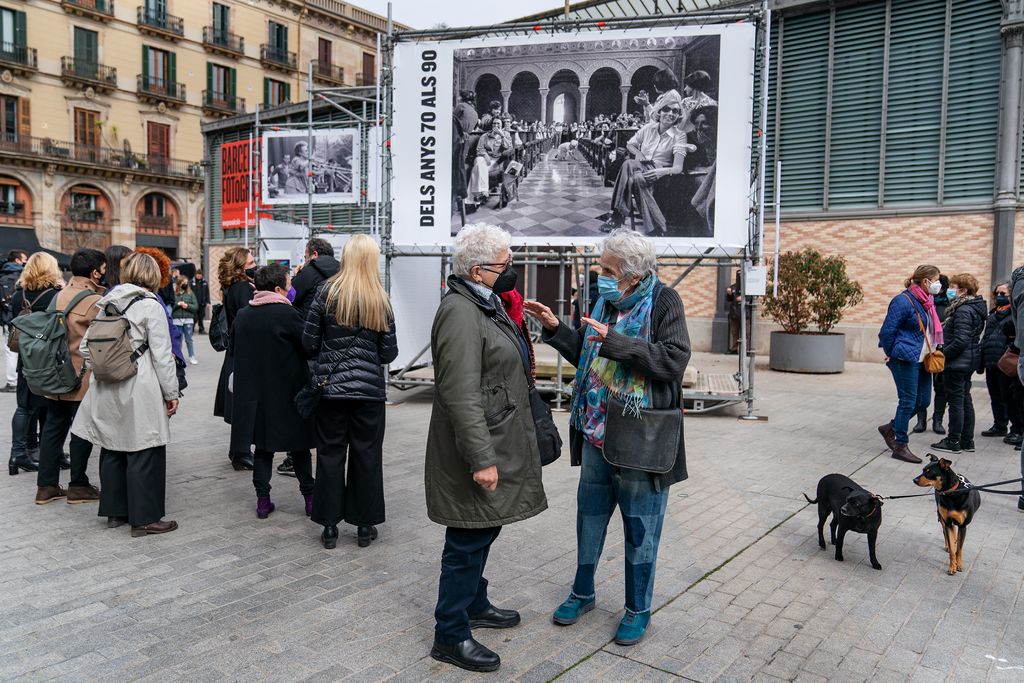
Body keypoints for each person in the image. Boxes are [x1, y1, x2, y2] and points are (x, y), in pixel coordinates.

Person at [524, 228, 689, 648]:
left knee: (640, 528)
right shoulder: (603, 300)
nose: (600, 274)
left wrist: (616, 343)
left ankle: (638, 609)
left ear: (633, 275)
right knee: (589, 520)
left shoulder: (664, 301)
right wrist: (556, 329)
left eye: (607, 269)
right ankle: (583, 593)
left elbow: (673, 360)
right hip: (597, 432)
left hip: (641, 441)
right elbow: (589, 352)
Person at [425, 224, 546, 674]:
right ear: (478, 270)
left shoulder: (484, 302)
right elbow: (459, 392)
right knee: (468, 535)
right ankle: (450, 633)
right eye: (505, 264)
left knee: (485, 526)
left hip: (499, 435)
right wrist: (481, 459)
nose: (511, 270)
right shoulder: (460, 311)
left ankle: (474, 603)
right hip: (479, 445)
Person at [73, 252, 179, 536]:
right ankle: (145, 518)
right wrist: (172, 392)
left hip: (107, 384)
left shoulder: (107, 303)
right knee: (144, 447)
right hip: (139, 382)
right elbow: (162, 356)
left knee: (112, 445)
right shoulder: (150, 305)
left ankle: (114, 511)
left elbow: (85, 347)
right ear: (153, 275)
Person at [304, 235, 397, 550]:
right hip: (369, 394)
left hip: (331, 392)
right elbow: (389, 354)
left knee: (330, 455)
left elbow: (309, 342)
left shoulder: (325, 294)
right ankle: (364, 524)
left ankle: (330, 526)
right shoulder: (380, 299)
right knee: (367, 456)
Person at [230, 263, 315, 519]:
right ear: (278, 288)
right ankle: (310, 500)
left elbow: (233, 349)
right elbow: (308, 346)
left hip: (258, 396)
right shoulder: (288, 314)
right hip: (290, 392)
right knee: (299, 448)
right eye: (289, 284)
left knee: (264, 450)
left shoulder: (243, 315)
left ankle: (263, 501)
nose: (292, 289)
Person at [33, 248, 106, 505]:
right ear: (95, 272)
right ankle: (78, 485)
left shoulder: (58, 295)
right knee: (82, 430)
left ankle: (46, 486)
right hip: (81, 376)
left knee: (53, 427)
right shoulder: (95, 300)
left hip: (55, 374)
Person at [877, 265, 944, 464]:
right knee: (907, 401)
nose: (938, 284)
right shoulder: (902, 301)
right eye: (936, 279)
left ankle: (890, 428)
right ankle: (900, 445)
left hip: (923, 358)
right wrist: (891, 353)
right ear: (925, 281)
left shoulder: (927, 301)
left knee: (923, 402)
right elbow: (887, 332)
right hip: (905, 359)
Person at [601, 102, 691, 237]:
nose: (670, 113)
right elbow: (630, 144)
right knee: (632, 169)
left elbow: (678, 168)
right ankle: (657, 226)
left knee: (630, 169)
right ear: (659, 112)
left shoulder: (680, 135)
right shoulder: (648, 128)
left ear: (678, 116)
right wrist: (639, 154)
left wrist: (661, 171)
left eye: (675, 111)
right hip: (641, 166)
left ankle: (617, 216)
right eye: (666, 109)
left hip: (662, 172)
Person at [8, 253, 61, 475]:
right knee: (47, 405)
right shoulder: (55, 295)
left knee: (24, 405)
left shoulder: (19, 295)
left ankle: (20, 453)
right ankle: (44, 451)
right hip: (47, 358)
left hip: (26, 357)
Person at [931, 273, 986, 454]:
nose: (949, 290)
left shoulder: (963, 310)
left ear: (963, 290)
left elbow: (960, 340)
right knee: (964, 400)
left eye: (953, 287)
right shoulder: (971, 307)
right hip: (967, 361)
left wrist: (942, 354)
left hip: (957, 363)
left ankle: (954, 440)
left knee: (956, 402)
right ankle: (967, 441)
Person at [214, 247, 256, 471]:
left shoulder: (232, 286)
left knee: (240, 400)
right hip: (243, 351)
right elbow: (247, 318)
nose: (254, 264)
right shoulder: (242, 288)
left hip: (236, 350)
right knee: (244, 401)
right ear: (241, 266)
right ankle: (241, 453)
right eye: (251, 262)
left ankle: (238, 451)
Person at [979, 283, 1021, 440]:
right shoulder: (992, 314)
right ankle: (999, 425)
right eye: (997, 293)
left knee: (1009, 398)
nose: (999, 296)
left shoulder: (1015, 315)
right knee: (995, 396)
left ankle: (1017, 429)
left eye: (1003, 293)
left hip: (1006, 363)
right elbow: (986, 338)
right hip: (991, 362)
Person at [918, 274, 952, 434]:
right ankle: (920, 420)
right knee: (921, 387)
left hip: (940, 353)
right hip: (923, 352)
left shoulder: (949, 306)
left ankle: (937, 421)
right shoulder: (922, 303)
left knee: (941, 388)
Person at [465, 117, 513, 210]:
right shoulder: (485, 136)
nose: (496, 125)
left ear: (501, 125)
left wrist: (502, 135)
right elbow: (479, 149)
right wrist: (485, 155)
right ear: (491, 125)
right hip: (483, 159)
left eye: (498, 123)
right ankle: (483, 191)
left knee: (476, 169)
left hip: (496, 162)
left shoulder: (506, 135)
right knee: (479, 162)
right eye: (494, 123)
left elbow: (508, 148)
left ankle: (472, 200)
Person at [291, 237, 340, 317]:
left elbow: (290, 298)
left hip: (309, 324)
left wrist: (296, 277)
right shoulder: (343, 270)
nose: (305, 261)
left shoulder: (307, 272)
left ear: (314, 254)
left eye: (305, 257)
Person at [1, 249, 27, 392]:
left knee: (11, 350)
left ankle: (12, 382)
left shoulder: (3, 278)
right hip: (26, 318)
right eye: (24, 259)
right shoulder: (25, 277)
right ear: (17, 260)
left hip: (9, 320)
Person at [172, 275, 198, 365]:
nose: (186, 284)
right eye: (184, 282)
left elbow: (195, 306)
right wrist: (178, 304)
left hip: (188, 320)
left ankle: (192, 356)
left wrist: (187, 306)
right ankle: (178, 357)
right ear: (179, 283)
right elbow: (170, 307)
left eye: (187, 283)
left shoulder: (191, 293)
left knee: (189, 339)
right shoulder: (174, 294)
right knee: (178, 340)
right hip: (177, 320)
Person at [193, 269, 210, 334]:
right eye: (198, 275)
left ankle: (201, 329)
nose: (199, 276)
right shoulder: (192, 282)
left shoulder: (204, 282)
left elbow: (207, 293)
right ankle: (192, 329)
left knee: (201, 317)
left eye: (200, 275)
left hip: (202, 303)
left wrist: (208, 302)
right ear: (196, 275)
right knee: (194, 317)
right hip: (194, 303)